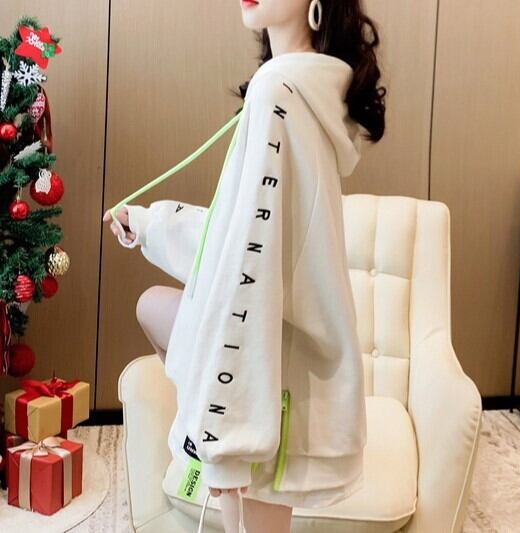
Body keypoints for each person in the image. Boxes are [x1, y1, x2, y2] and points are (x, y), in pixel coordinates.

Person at [104, 0, 386, 531]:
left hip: (268, 367)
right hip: (280, 353)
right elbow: (237, 236)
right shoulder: (302, 90)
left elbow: (248, 260)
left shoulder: (278, 90)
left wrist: (224, 423)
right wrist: (149, 224)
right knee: (154, 306)